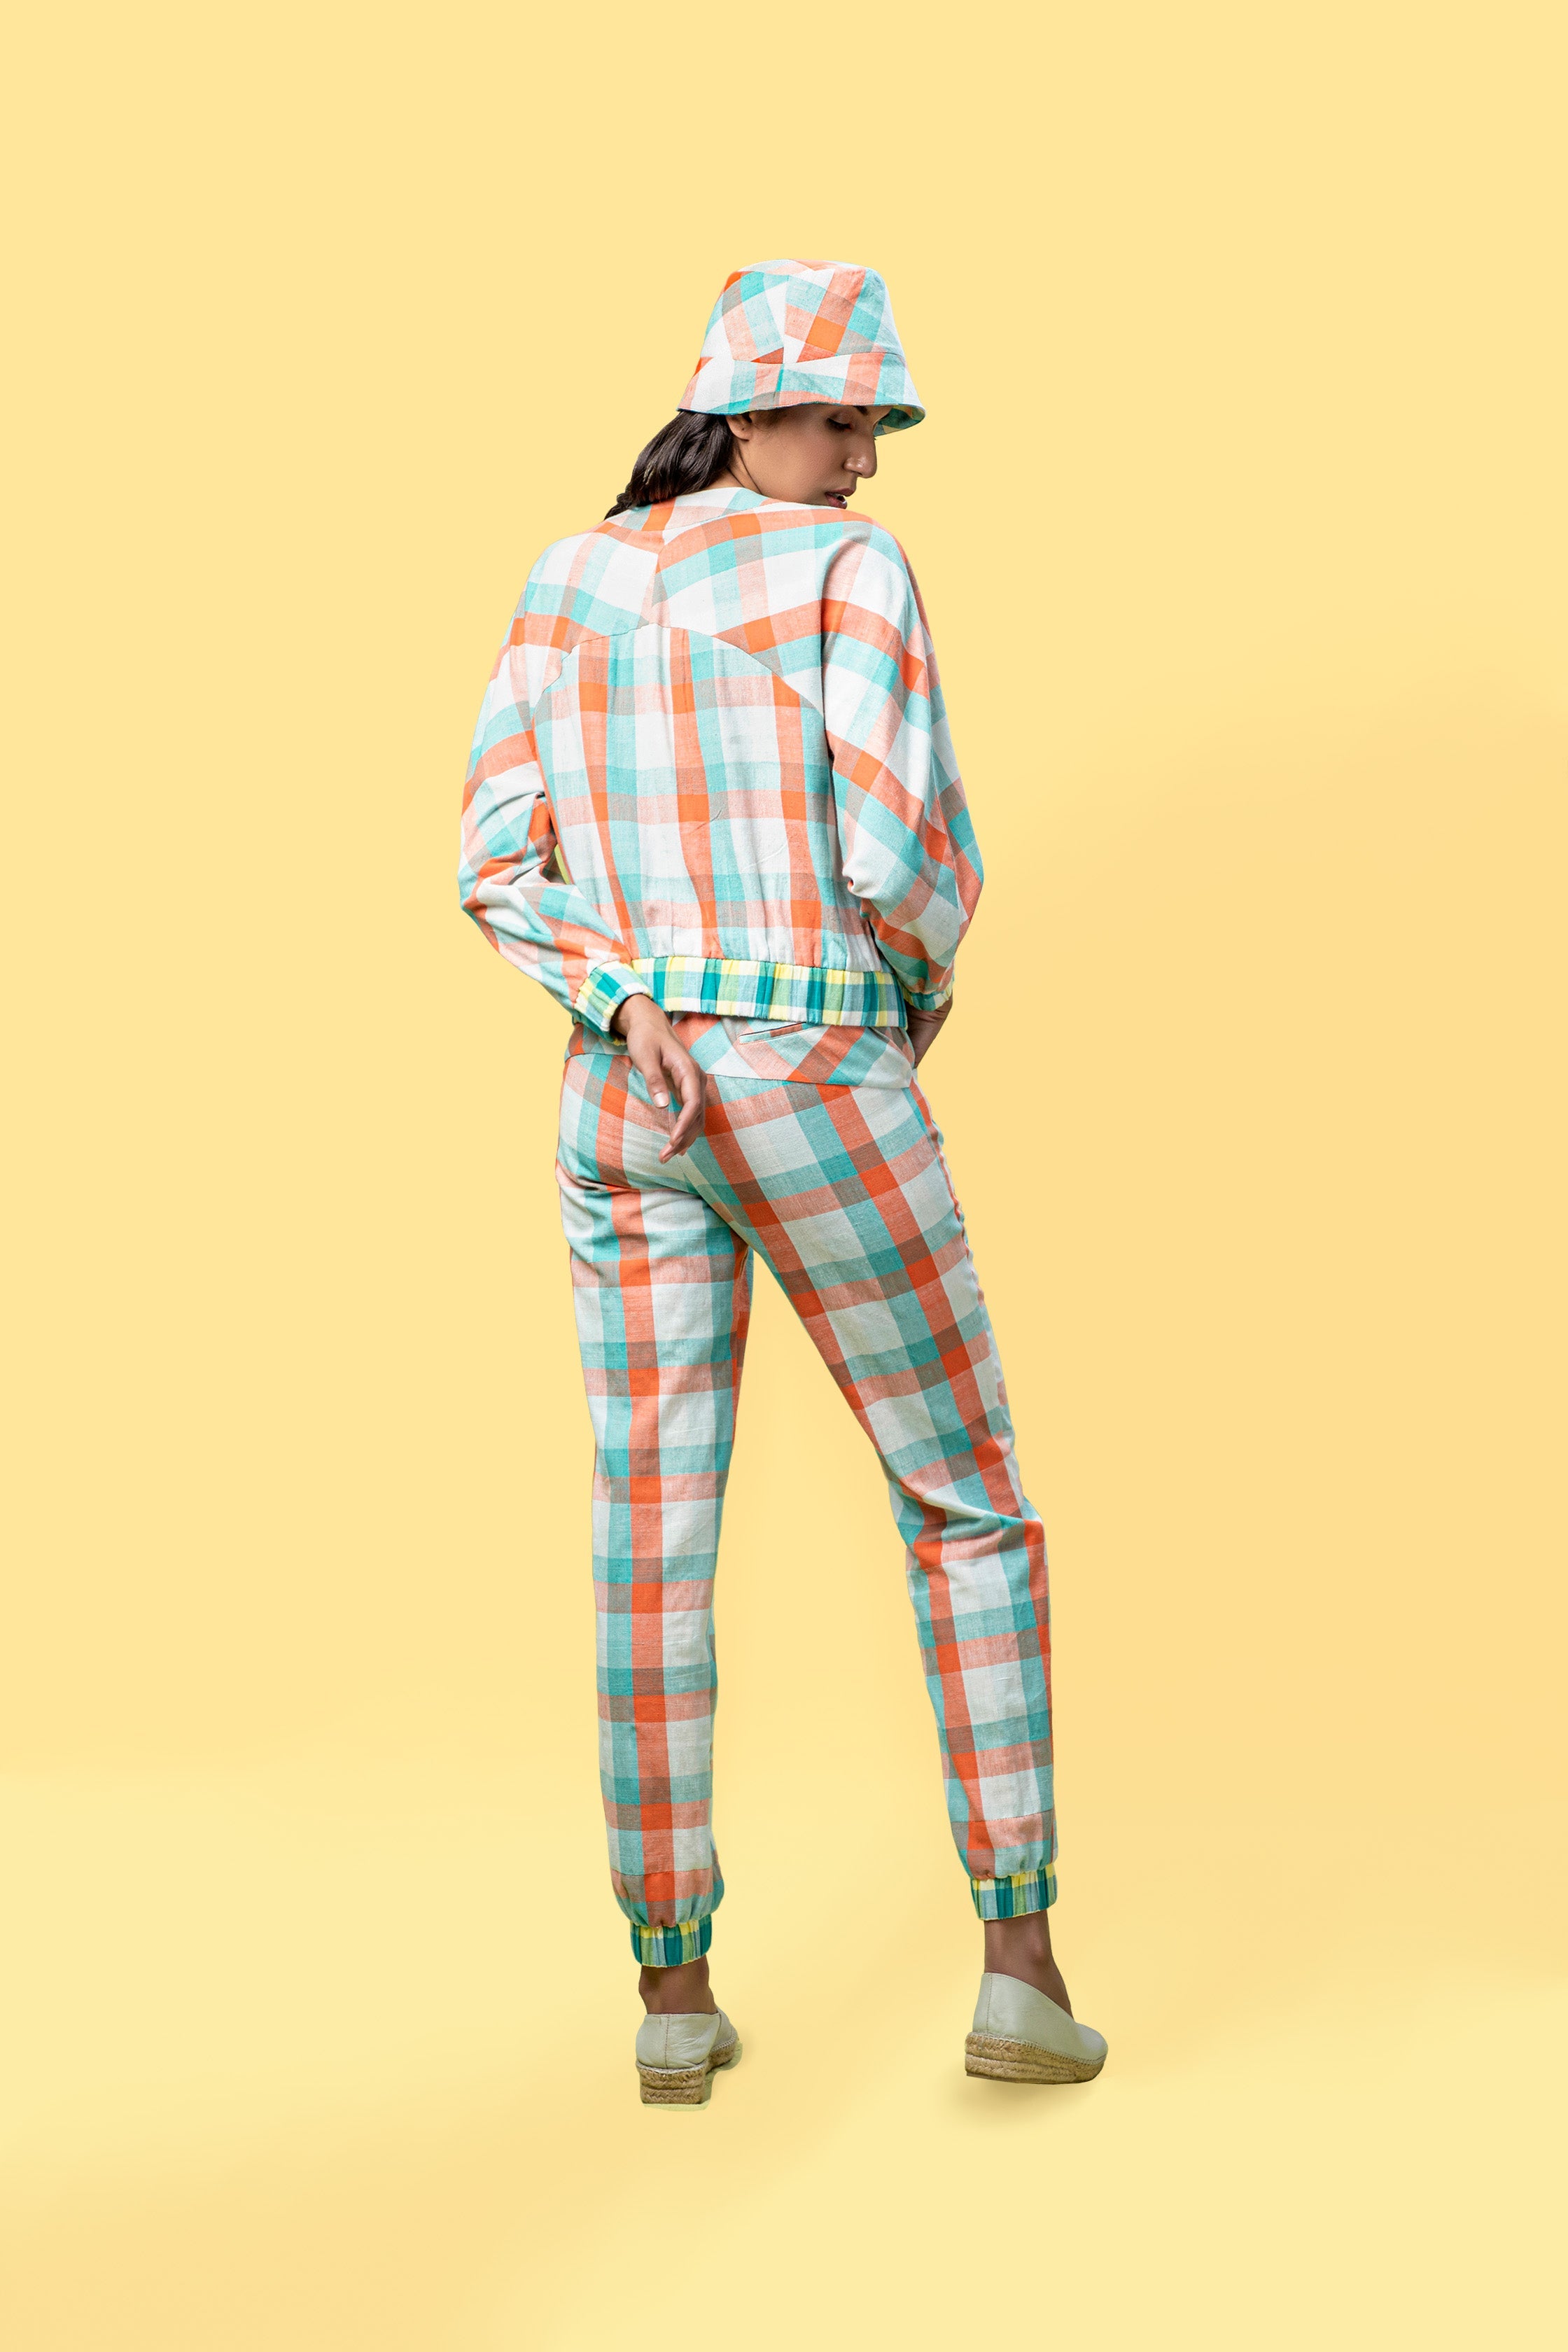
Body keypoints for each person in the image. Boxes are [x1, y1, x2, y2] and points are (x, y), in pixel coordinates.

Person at [459, 259, 1105, 2103]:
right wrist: (895, 1008)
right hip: (807, 1056)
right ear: (750, 413)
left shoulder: (566, 576)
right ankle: (1021, 1967)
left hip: (624, 1087)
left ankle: (672, 1994)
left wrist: (618, 998)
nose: (866, 461)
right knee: (966, 1500)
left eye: (872, 428)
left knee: (650, 1532)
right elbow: (905, 850)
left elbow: (493, 860)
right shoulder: (844, 572)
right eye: (843, 422)